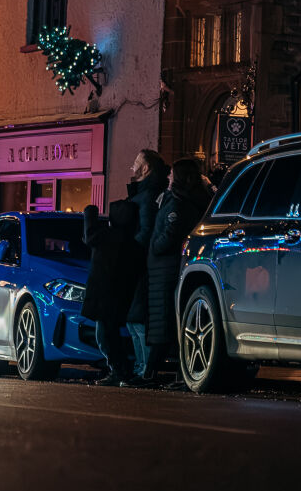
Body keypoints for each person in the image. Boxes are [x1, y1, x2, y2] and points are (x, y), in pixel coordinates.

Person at [138, 158, 212, 387]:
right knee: (168, 324)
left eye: (172, 174)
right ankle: (166, 374)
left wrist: (154, 246)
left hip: (166, 270)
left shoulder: (179, 203)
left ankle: (153, 374)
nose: (168, 178)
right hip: (165, 270)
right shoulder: (184, 199)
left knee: (165, 324)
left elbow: (171, 233)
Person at [122, 149, 170, 387]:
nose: (132, 166)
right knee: (133, 320)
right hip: (137, 264)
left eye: (137, 162)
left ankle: (145, 369)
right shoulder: (144, 193)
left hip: (140, 265)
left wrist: (129, 250)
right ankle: (141, 367)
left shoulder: (148, 195)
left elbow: (146, 230)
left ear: (146, 168)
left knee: (138, 319)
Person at [82, 199, 141, 385]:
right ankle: (121, 370)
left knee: (104, 337)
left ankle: (119, 371)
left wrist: (90, 212)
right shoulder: (132, 242)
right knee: (110, 335)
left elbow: (89, 236)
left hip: (104, 296)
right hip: (119, 296)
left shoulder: (108, 236)